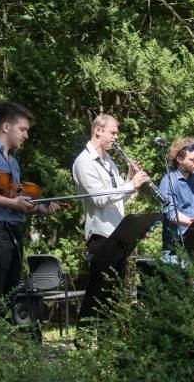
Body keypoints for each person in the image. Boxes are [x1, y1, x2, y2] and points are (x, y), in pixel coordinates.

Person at [0, 102, 60, 313]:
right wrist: (11, 203)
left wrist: (40, 209)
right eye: (23, 129)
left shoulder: (13, 162)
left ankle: (4, 343)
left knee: (9, 296)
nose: (26, 135)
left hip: (14, 232)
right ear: (6, 127)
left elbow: (17, 199)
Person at [72, 113, 150, 324]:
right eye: (113, 132)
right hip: (100, 235)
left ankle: (108, 340)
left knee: (113, 293)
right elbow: (100, 199)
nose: (116, 137)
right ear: (98, 130)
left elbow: (120, 197)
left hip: (118, 233)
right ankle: (84, 337)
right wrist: (131, 183)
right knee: (98, 290)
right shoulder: (84, 162)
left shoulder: (109, 162)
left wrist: (128, 177)